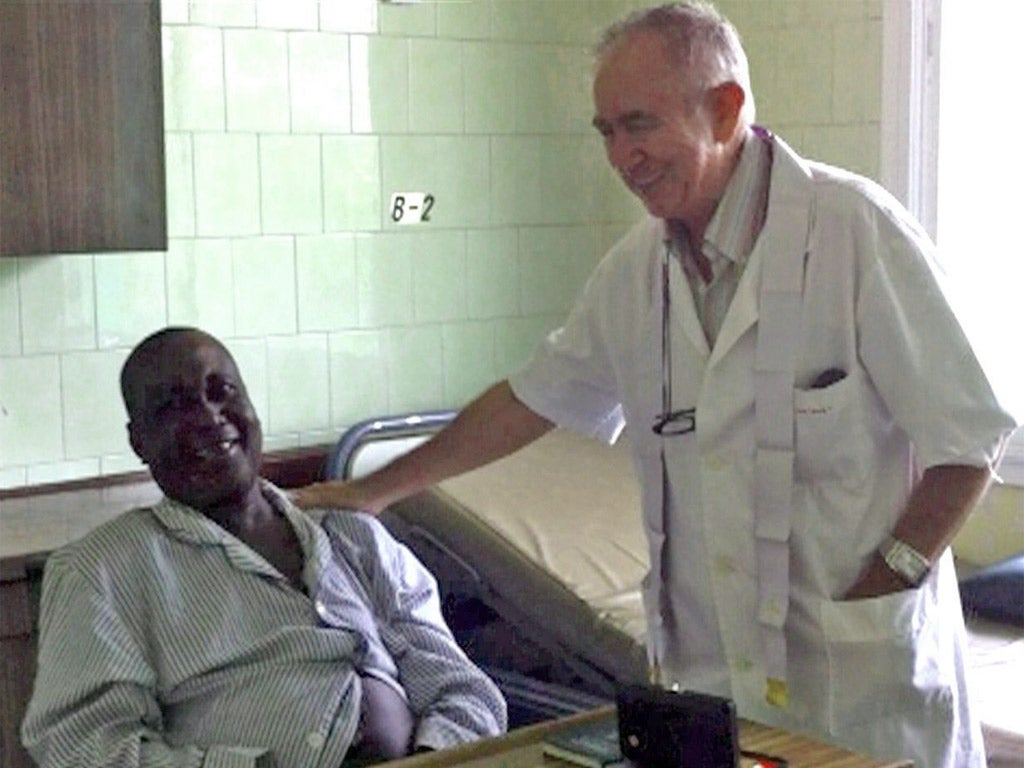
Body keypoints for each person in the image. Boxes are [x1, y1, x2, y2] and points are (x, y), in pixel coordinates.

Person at [291, 3, 1018, 767]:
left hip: (859, 681)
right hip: (712, 680)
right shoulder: (638, 270)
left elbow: (970, 438)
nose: (621, 156)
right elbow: (531, 398)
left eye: (639, 124)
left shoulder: (854, 232)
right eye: (606, 131)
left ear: (726, 109)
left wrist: (888, 581)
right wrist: (378, 490)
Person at [21, 327, 506, 768]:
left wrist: (431, 757)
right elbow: (85, 748)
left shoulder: (354, 537)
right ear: (139, 441)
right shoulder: (102, 571)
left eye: (221, 392)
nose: (209, 416)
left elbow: (464, 690)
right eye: (174, 405)